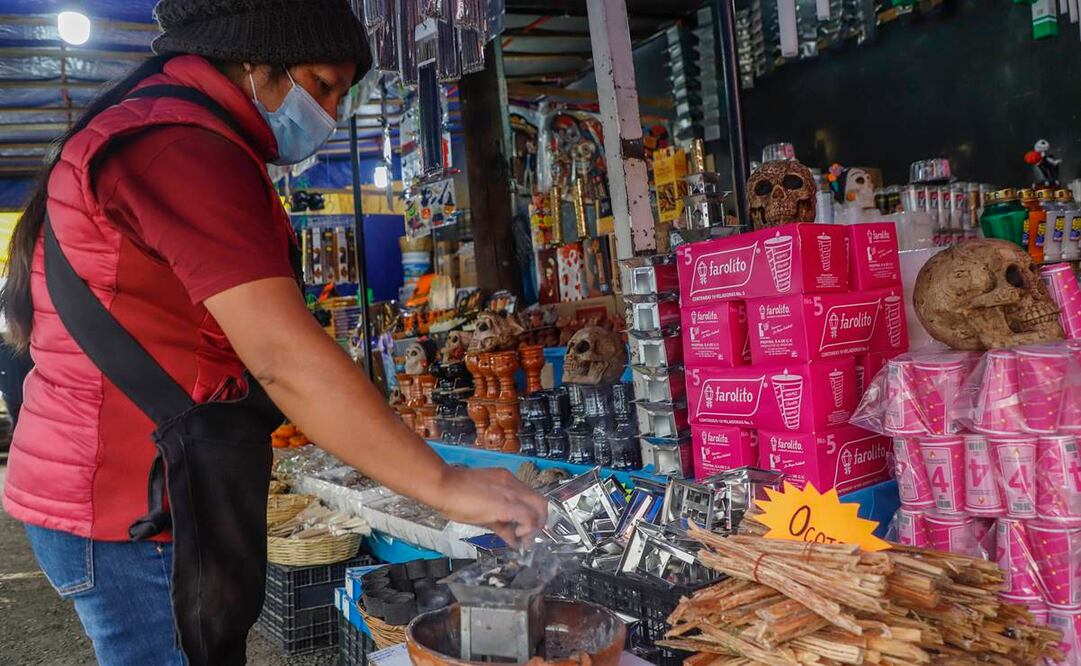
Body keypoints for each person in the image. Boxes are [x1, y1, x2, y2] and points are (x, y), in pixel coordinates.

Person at [0, 2, 547, 665]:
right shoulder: (179, 148)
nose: (332, 114)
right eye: (321, 86)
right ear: (254, 62)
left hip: (122, 486)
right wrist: (441, 481)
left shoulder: (167, 129)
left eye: (343, 95)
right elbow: (282, 357)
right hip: (127, 503)